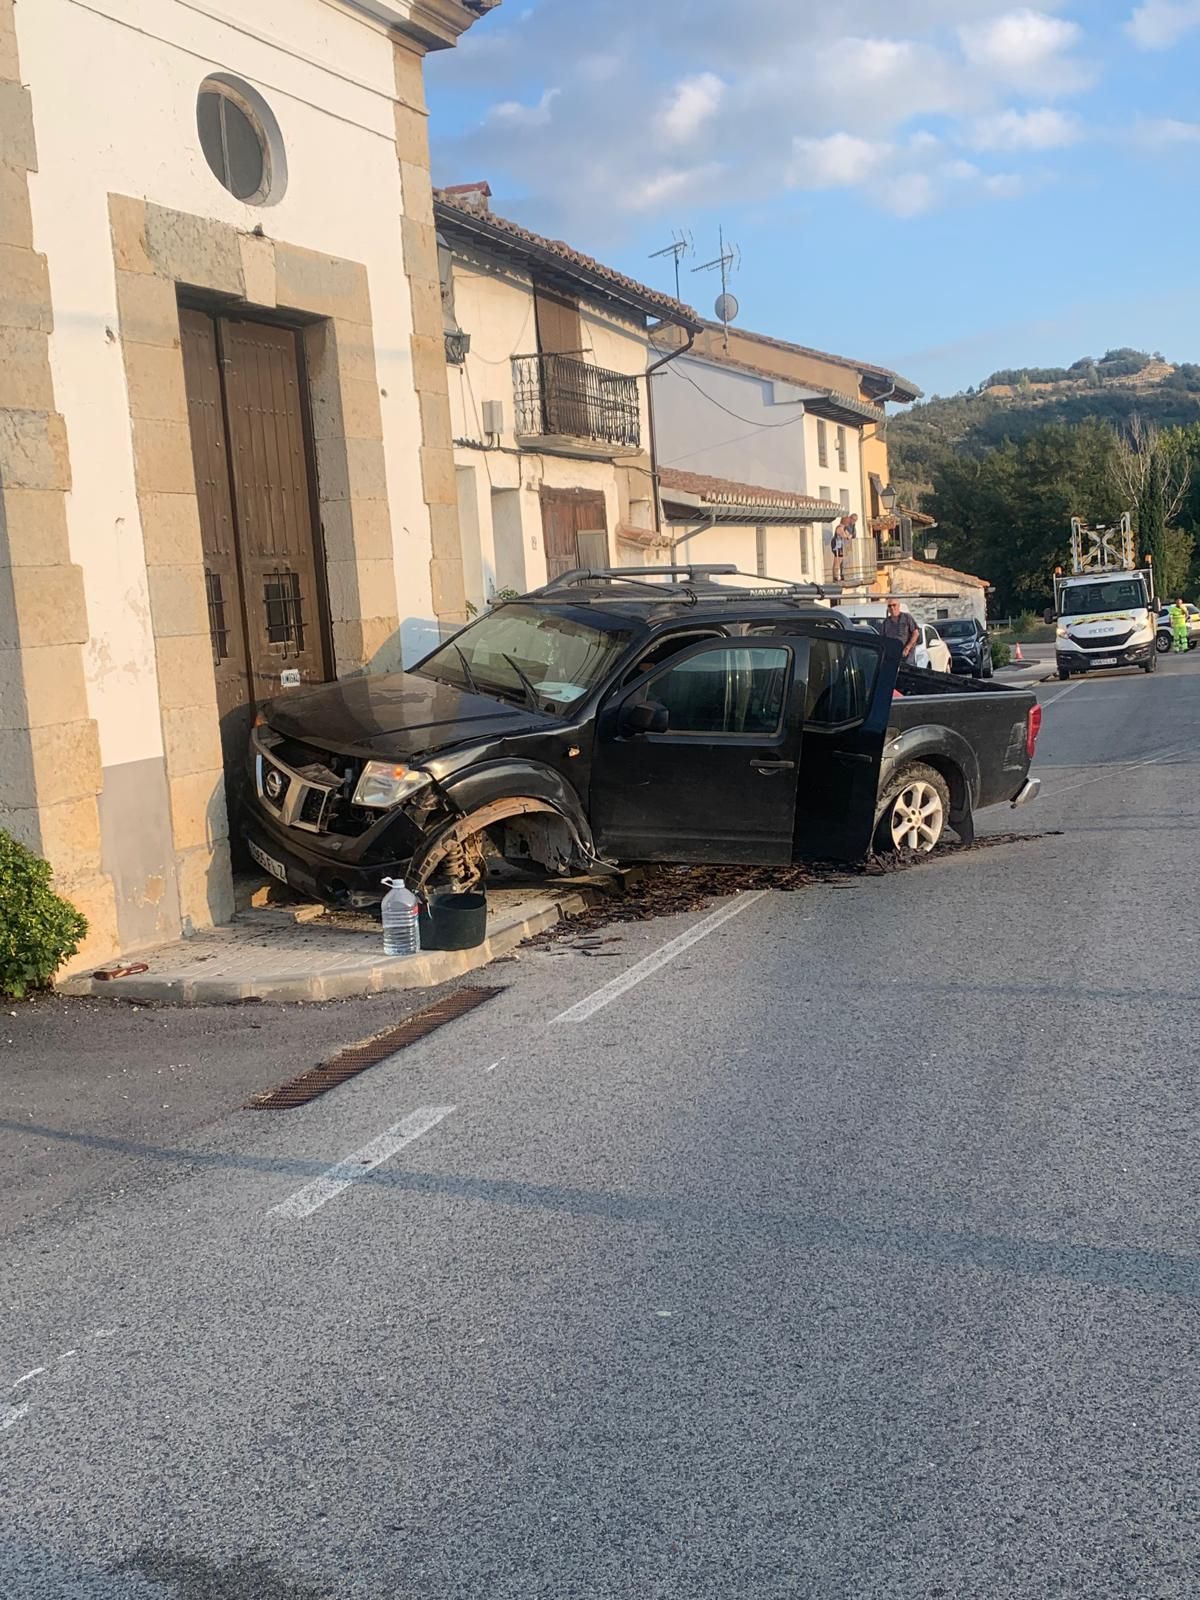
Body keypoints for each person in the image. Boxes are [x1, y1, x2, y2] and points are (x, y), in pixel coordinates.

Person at [881, 597, 921, 664]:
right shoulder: (886, 622)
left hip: (907, 656)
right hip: (892, 657)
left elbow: (916, 633)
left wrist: (907, 647)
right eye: (889, 606)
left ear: (899, 606)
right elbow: (883, 639)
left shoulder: (907, 617)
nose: (892, 608)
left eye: (894, 605)